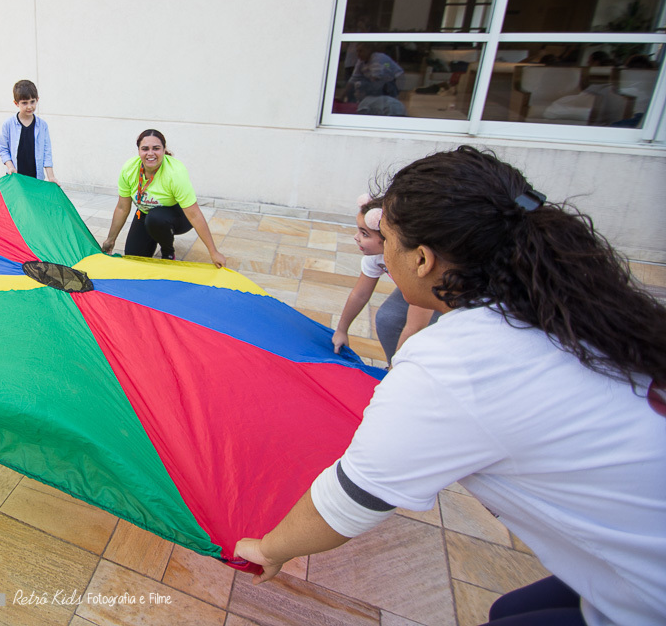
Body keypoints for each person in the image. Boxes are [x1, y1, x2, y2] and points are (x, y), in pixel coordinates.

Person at [234, 146, 666, 626]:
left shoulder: (455, 365)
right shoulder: (569, 301)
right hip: (643, 559)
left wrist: (269, 548)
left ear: (422, 259)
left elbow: (349, 500)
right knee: (510, 609)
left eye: (389, 240)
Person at [332, 194, 435, 365]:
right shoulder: (375, 256)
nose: (356, 237)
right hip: (412, 289)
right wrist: (342, 329)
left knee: (425, 334)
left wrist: (396, 372)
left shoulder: (415, 267)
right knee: (387, 319)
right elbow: (360, 294)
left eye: (364, 234)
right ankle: (394, 363)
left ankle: (406, 367)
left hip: (441, 297)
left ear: (388, 239)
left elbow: (414, 326)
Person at [100, 129, 227, 267]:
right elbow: (122, 208)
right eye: (145, 149)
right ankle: (154, 235)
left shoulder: (175, 172)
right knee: (133, 258)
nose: (150, 153)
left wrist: (213, 252)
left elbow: (194, 214)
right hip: (145, 214)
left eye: (156, 148)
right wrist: (110, 240)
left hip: (178, 215)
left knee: (156, 218)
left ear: (164, 149)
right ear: (138, 151)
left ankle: (168, 251)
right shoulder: (129, 169)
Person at [0, 80, 56, 182]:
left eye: (32, 101)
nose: (29, 106)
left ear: (37, 100)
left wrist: (51, 177)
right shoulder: (8, 124)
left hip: (36, 178)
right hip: (16, 178)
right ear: (16, 103)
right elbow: (3, 149)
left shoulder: (42, 126)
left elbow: (47, 153)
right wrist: (10, 167)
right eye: (24, 103)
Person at [344, 45, 406, 116]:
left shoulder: (378, 58)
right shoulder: (361, 61)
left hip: (393, 80)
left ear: (369, 50)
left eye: (361, 51)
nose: (358, 54)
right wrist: (342, 97)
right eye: (357, 51)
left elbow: (376, 80)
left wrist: (364, 92)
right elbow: (353, 79)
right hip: (379, 82)